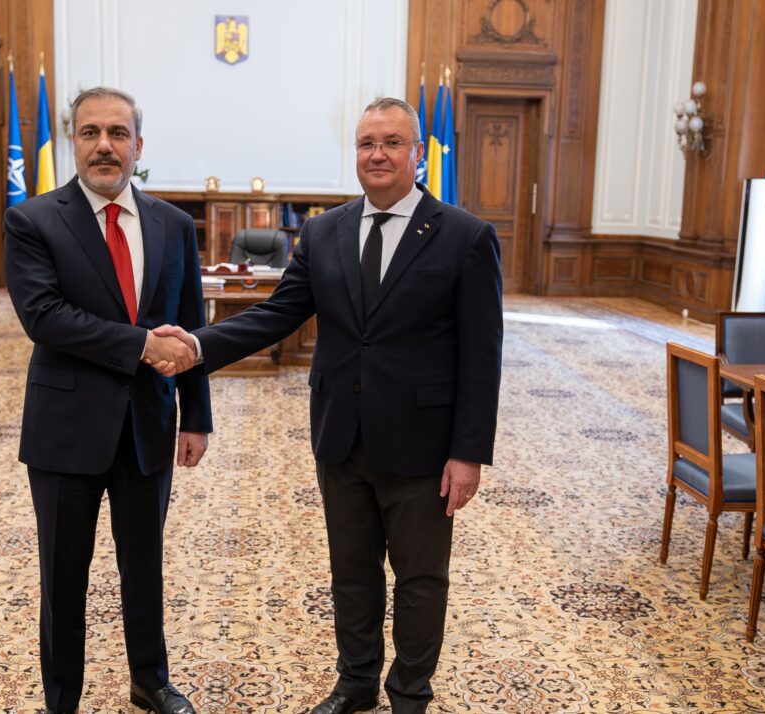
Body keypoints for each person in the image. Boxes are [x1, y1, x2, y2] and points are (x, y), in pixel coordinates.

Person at [152, 97, 503, 713]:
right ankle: (356, 682)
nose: (378, 154)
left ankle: (410, 692)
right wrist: (198, 346)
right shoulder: (323, 231)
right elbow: (277, 314)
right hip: (341, 435)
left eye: (392, 142)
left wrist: (468, 452)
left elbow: (482, 355)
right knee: (352, 572)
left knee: (420, 579)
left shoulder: (465, 236)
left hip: (423, 445)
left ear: (417, 154)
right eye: (367, 143)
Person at [4, 86, 210, 714]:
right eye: (91, 132)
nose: (104, 145)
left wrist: (196, 416)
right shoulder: (33, 220)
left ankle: (151, 680)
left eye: (118, 133)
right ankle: (62, 697)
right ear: (74, 141)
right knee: (63, 574)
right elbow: (44, 317)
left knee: (144, 566)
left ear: (138, 145)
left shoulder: (174, 225)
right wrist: (142, 345)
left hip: (148, 424)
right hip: (66, 428)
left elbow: (190, 326)